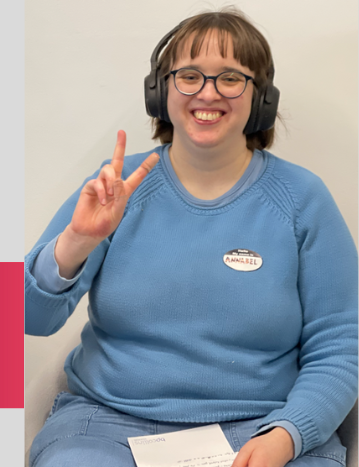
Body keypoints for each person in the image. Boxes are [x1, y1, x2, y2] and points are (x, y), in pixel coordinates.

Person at [25, 8, 358, 467]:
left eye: (230, 78)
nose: (208, 92)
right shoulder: (116, 188)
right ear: (160, 91)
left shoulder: (303, 199)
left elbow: (341, 343)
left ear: (261, 98)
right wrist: (76, 243)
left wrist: (288, 434)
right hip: (108, 426)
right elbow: (26, 318)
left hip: (262, 426)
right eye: (190, 76)